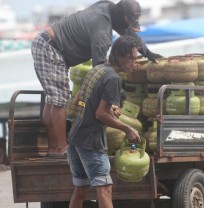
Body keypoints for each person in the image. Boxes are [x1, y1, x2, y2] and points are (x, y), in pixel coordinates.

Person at [31, 0, 161, 157]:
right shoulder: (102, 34)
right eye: (127, 21)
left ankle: (53, 148)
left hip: (47, 43)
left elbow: (127, 32)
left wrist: (147, 53)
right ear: (120, 16)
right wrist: (116, 97)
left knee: (53, 100)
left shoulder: (107, 7)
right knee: (59, 100)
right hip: (51, 48)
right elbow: (101, 71)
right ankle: (60, 147)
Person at [67, 35, 141, 208]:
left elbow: (79, 100)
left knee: (80, 189)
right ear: (121, 56)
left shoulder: (97, 69)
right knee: (105, 188)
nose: (134, 63)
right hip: (90, 141)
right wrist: (127, 129)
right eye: (132, 59)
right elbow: (100, 114)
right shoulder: (113, 78)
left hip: (75, 137)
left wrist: (109, 107)